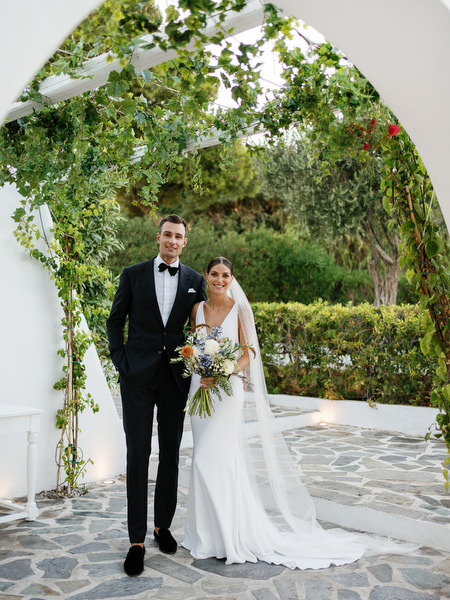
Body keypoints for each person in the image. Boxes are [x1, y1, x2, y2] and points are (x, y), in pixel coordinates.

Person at [182, 257, 415, 569]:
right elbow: (193, 347)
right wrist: (197, 367)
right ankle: (206, 535)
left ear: (232, 278)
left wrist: (223, 373)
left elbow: (249, 353)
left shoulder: (240, 309)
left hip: (227, 390)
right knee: (201, 459)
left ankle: (230, 534)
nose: (219, 280)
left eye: (225, 275)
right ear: (206, 277)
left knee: (219, 458)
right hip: (202, 387)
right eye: (214, 274)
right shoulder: (197, 309)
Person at [106, 214, 206, 576]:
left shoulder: (195, 280)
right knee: (138, 454)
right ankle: (136, 539)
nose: (172, 241)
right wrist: (121, 360)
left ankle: (162, 526)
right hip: (136, 376)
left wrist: (202, 364)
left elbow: (201, 329)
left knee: (170, 454)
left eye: (178, 236)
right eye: (167, 234)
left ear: (185, 241)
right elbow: (115, 320)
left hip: (173, 379)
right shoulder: (132, 274)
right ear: (158, 237)